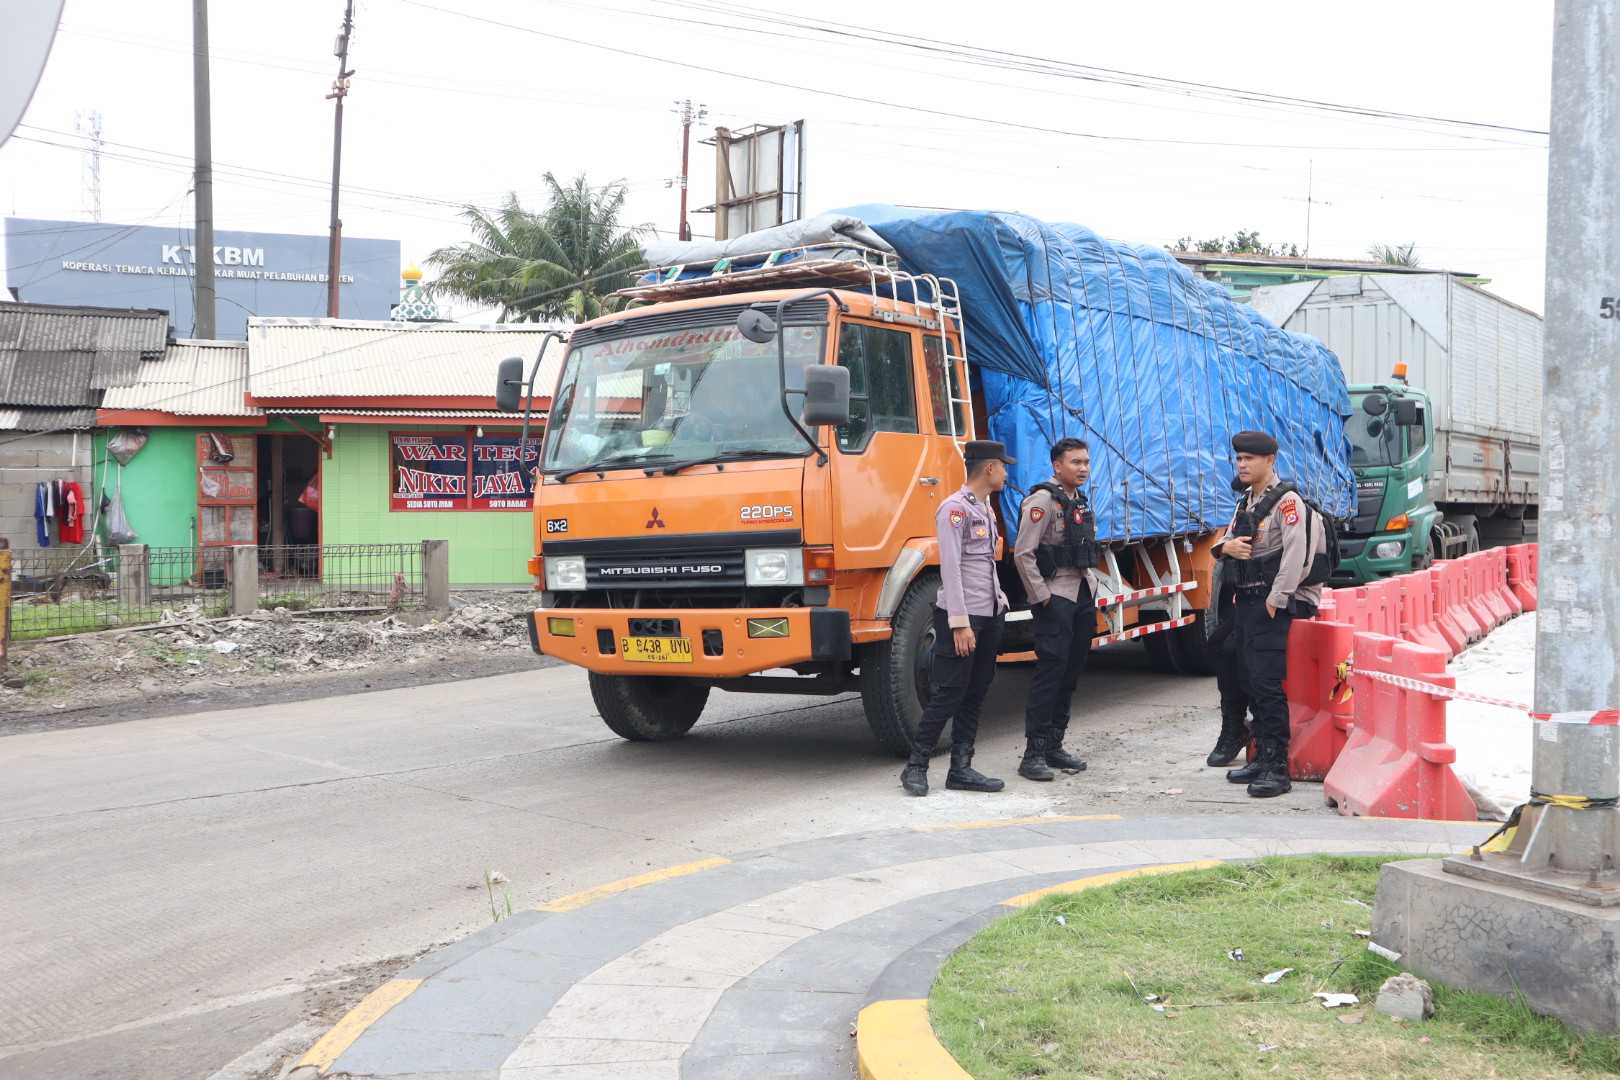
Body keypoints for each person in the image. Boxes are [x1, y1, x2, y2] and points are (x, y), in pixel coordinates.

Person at [1213, 430, 1327, 798]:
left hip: (1270, 603)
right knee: (1248, 678)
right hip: (1247, 600)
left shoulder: (1287, 503)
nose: (1242, 464)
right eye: (1239, 458)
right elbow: (1226, 540)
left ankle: (1277, 768)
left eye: (1249, 459)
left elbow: (1297, 557)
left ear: (1270, 460)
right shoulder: (1247, 501)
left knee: (1266, 684)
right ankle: (1261, 756)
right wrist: (1226, 548)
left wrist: (1275, 601)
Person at [900, 440, 1017, 797]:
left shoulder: (985, 508)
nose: (1007, 473)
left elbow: (984, 564)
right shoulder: (954, 509)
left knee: (976, 693)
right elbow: (949, 568)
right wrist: (960, 622)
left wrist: (999, 602)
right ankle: (916, 766)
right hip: (964, 618)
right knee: (950, 693)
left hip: (990, 613)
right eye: (1004, 466)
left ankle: (961, 769)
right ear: (989, 468)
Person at [1011, 437, 1098, 781]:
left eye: (1086, 462)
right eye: (1075, 462)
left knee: (1070, 674)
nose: (1083, 468)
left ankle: (1054, 745)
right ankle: (1032, 754)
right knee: (1050, 674)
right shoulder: (1041, 501)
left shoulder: (1079, 500)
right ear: (1057, 466)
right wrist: (1042, 598)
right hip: (1056, 596)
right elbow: (1023, 553)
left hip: (1081, 592)